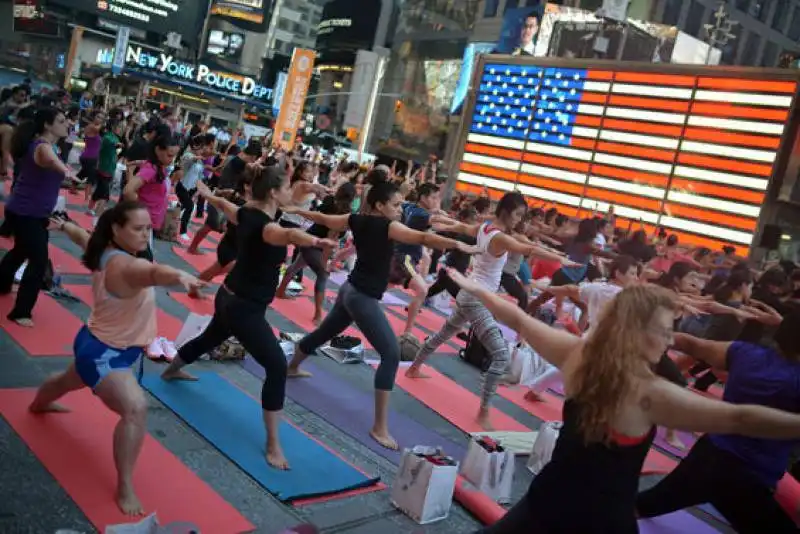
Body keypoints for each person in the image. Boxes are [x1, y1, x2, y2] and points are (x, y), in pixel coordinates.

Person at [441, 270, 800, 534]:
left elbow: (519, 318)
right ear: (635, 332)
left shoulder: (580, 354)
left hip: (549, 503)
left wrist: (478, 288)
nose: (669, 339)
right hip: (594, 520)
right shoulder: (648, 393)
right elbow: (738, 419)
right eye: (662, 330)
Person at [28, 201, 203, 516]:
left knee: (70, 380)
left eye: (149, 227)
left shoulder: (104, 249)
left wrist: (63, 226)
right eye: (138, 228)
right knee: (135, 409)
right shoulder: (126, 266)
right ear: (116, 229)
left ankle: (38, 404)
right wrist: (180, 275)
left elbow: (82, 236)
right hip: (105, 354)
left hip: (95, 343)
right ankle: (125, 485)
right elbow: (152, 271)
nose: (146, 234)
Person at [161, 166, 337, 470]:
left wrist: (208, 194)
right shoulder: (267, 227)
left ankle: (172, 370)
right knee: (277, 366)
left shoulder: (245, 213)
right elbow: (285, 233)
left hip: (228, 296)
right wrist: (314, 242)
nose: (289, 192)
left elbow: (225, 205)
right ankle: (273, 445)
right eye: (286, 187)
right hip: (245, 308)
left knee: (211, 337)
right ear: (272, 192)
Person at [284, 181, 478, 450]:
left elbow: (323, 218)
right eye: (396, 205)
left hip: (349, 290)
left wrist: (297, 210)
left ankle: (292, 366)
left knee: (324, 333)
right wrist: (458, 244)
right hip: (361, 297)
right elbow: (423, 238)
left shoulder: (356, 219)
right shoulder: (388, 226)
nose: (400, 210)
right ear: (379, 205)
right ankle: (379, 427)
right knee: (390, 354)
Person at [406, 192, 577, 429]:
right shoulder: (499, 237)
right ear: (506, 212)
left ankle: (414, 368)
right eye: (518, 214)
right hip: (476, 298)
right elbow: (530, 249)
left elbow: (462, 226)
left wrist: (442, 221)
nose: (519, 219)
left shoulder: (485, 228)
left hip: (471, 294)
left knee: (444, 333)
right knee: (500, 355)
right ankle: (484, 411)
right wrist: (562, 261)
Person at [637, 323, 800, 533]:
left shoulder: (745, 352)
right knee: (646, 505)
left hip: (710, 455)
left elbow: (690, 343)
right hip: (747, 478)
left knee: (646, 505)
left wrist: (641, 332)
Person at [0, 108, 76, 326]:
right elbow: (52, 162)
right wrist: (67, 172)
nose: (66, 124)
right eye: (61, 121)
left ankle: (2, 283)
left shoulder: (50, 147)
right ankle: (21, 312)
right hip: (26, 212)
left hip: (28, 210)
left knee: (20, 250)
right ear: (47, 125)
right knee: (38, 260)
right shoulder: (43, 147)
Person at [275, 181, 357, 324]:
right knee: (322, 275)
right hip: (315, 243)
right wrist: (325, 263)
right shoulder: (344, 213)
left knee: (296, 266)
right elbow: (331, 238)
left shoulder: (331, 201)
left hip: (309, 238)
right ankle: (318, 314)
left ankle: (280, 291)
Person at [388, 183, 441, 335]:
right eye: (433, 197)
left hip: (400, 254)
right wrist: (462, 226)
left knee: (383, 286)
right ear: (423, 198)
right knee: (423, 290)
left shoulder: (409, 207)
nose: (436, 201)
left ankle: (354, 308)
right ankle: (408, 332)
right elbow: (440, 225)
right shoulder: (423, 215)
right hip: (405, 258)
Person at [123, 130, 180, 261]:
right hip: (142, 224)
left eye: (174, 157)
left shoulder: (158, 167)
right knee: (143, 262)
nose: (171, 160)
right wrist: (138, 209)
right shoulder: (152, 169)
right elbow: (128, 191)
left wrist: (134, 164)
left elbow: (145, 164)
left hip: (149, 224)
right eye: (169, 155)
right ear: (158, 150)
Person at [93, 118, 123, 220]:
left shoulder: (115, 137)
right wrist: (119, 144)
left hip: (109, 168)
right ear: (113, 127)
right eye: (119, 127)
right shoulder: (108, 137)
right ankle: (96, 218)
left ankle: (90, 209)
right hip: (104, 169)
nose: (120, 129)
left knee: (98, 192)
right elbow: (114, 144)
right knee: (105, 197)